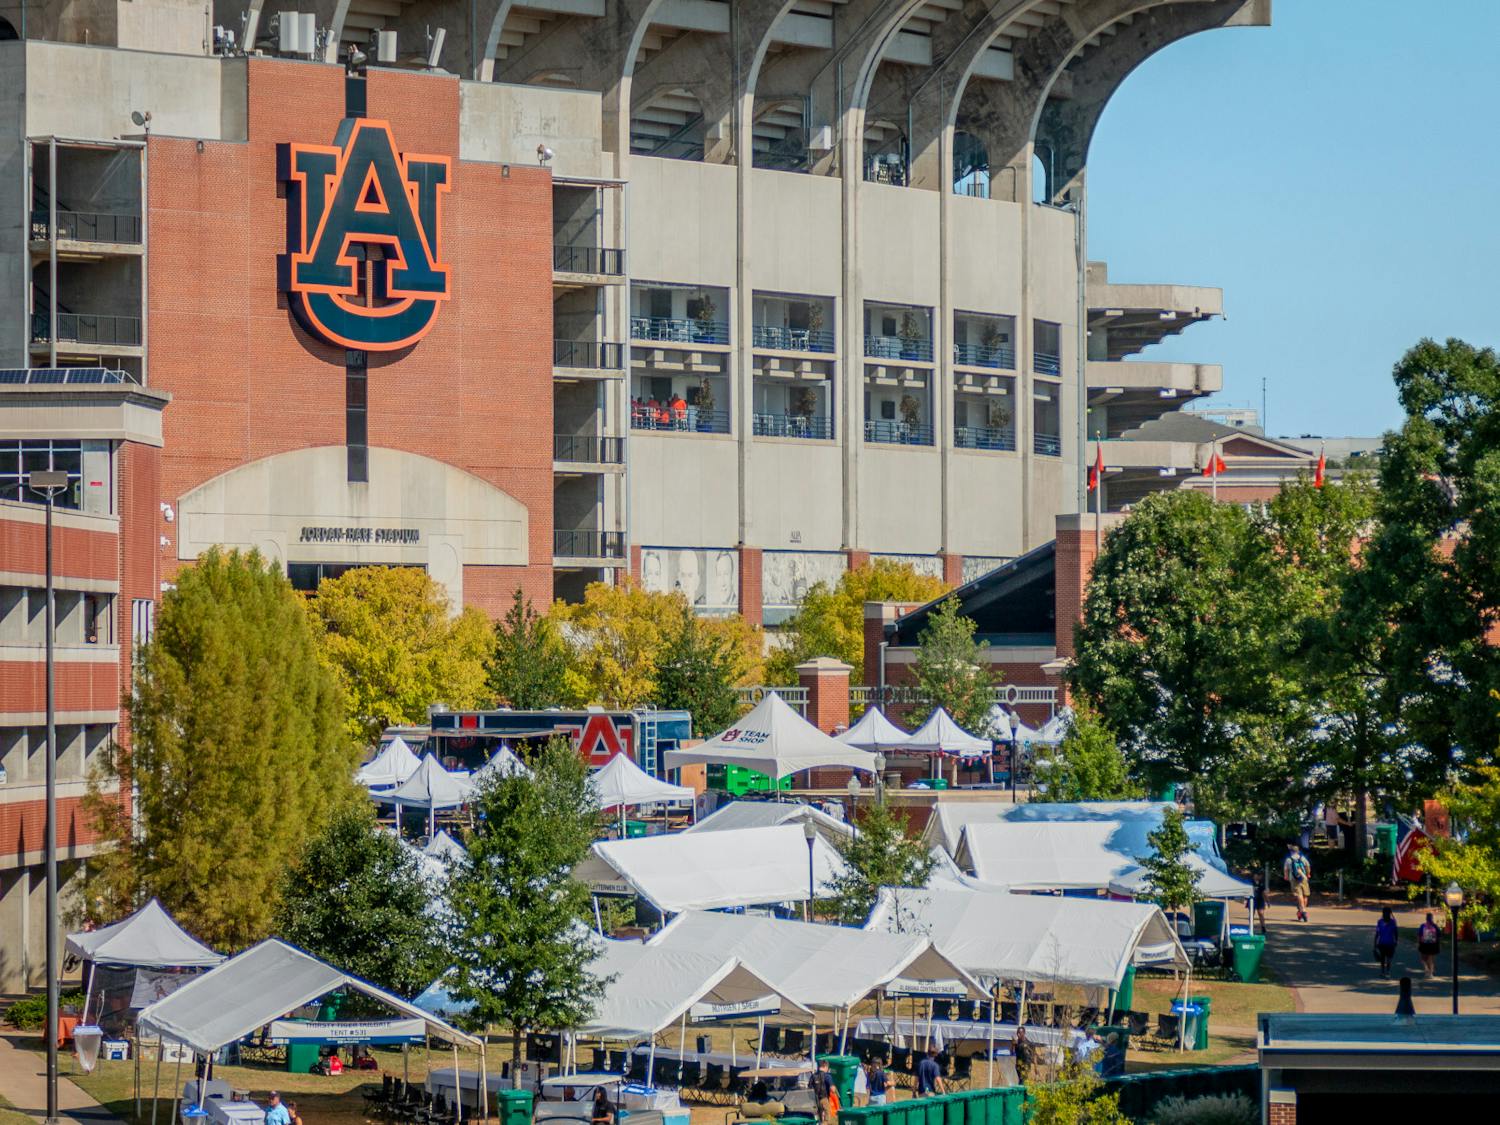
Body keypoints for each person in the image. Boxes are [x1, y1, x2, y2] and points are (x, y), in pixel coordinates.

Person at [1284, 844, 1312, 922]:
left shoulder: (1288, 859)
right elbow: (1307, 866)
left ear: (1291, 852)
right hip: (1303, 878)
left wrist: (1286, 876)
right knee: (1305, 895)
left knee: (1299, 894)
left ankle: (1302, 910)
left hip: (1293, 879)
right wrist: (1308, 874)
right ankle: (1303, 910)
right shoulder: (1302, 858)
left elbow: (1286, 869)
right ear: (1298, 851)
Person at [1374, 906, 1399, 979]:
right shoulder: (1393, 922)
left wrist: (1375, 944)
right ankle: (1387, 972)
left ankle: (1383, 972)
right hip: (1390, 943)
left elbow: (1377, 933)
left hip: (1382, 943)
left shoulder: (1380, 921)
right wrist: (1396, 941)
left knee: (1383, 958)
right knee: (1388, 959)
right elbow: (1396, 933)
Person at [810, 1057, 835, 1123]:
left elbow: (809, 1088)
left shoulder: (813, 1076)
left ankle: (820, 1122)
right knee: (827, 1114)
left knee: (819, 1116)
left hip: (814, 1099)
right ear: (825, 1066)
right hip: (824, 1098)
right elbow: (832, 1089)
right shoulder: (827, 1076)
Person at [1418, 912, 1442, 976]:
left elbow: (1419, 935)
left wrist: (1419, 943)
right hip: (1433, 945)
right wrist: (1438, 943)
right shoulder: (1435, 926)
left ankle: (1427, 970)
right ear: (1432, 918)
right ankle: (1431, 972)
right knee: (1431, 959)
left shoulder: (1423, 926)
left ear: (1426, 918)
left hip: (1424, 944)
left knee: (1423, 959)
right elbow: (1439, 935)